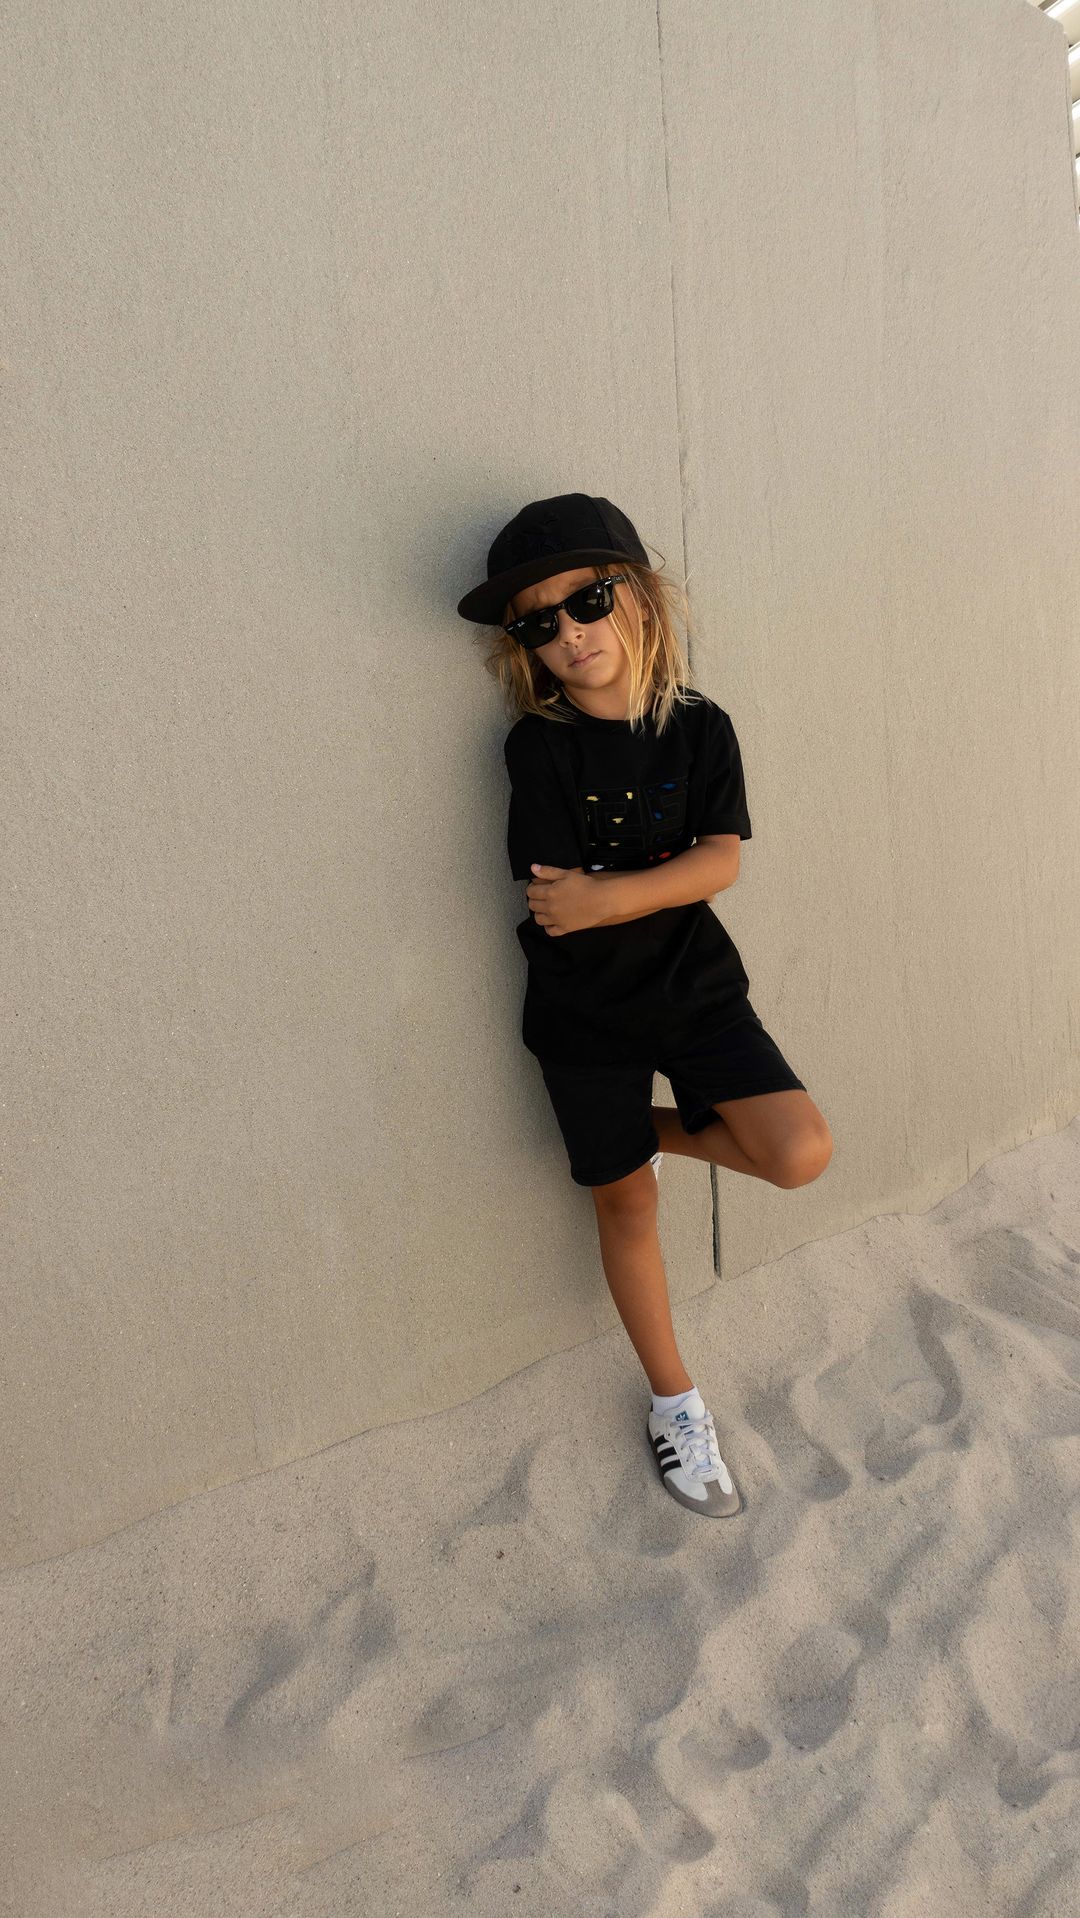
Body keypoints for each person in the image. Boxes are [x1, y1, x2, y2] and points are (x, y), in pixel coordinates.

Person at [457, 493, 833, 1518]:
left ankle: (633, 1137)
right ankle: (676, 1403)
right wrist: (628, 890)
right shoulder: (538, 747)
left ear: (639, 596)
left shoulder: (701, 727)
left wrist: (615, 893)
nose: (568, 633)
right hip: (584, 1016)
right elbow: (555, 904)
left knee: (798, 1151)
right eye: (538, 623)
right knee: (625, 1203)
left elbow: (720, 862)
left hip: (695, 991)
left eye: (586, 601)